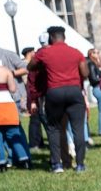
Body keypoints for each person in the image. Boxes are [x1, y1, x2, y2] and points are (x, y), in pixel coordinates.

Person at [29, 26, 89, 173]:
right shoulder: (76, 52)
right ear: (64, 37)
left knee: (54, 128)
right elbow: (85, 73)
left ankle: (57, 164)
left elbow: (30, 66)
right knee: (78, 128)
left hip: (54, 91)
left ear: (50, 38)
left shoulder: (45, 52)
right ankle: (80, 164)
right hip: (74, 91)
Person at [23, 46, 46, 149]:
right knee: (36, 119)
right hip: (34, 95)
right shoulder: (27, 65)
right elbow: (28, 82)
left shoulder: (33, 65)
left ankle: (38, 142)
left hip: (35, 94)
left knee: (37, 119)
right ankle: (34, 143)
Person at [87, 48, 101, 140]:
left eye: (98, 52)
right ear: (91, 54)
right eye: (95, 53)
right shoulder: (91, 64)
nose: (98, 54)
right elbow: (94, 78)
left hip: (98, 87)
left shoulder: (95, 64)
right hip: (97, 88)